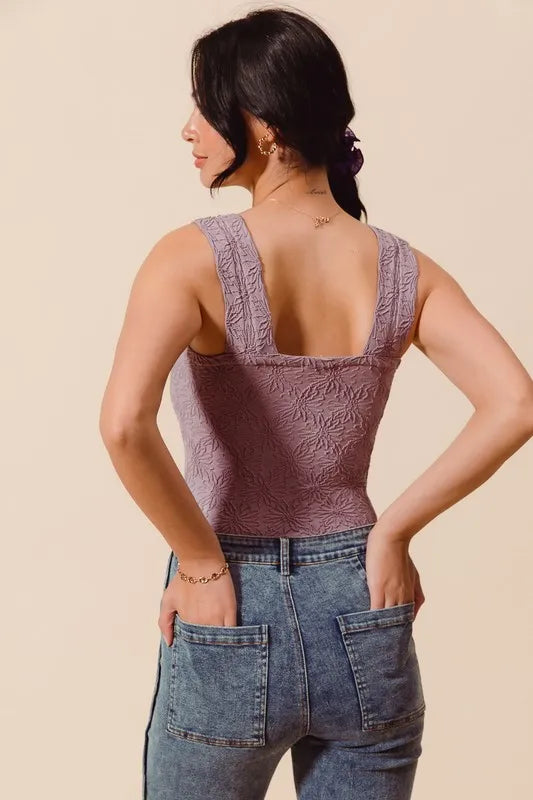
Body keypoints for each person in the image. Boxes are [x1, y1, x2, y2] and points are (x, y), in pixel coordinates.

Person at [99, 7, 533, 800]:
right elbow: (514, 402)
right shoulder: (403, 267)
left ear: (260, 125)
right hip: (362, 605)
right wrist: (392, 530)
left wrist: (198, 564)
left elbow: (125, 425)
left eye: (205, 105)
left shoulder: (190, 258)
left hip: (230, 599)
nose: (188, 128)